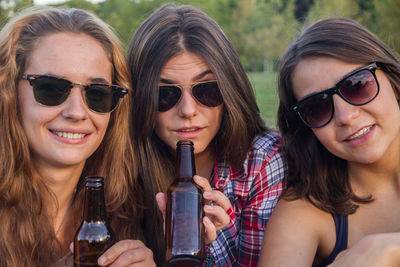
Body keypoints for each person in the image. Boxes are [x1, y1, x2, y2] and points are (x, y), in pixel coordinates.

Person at [127, 3, 287, 266]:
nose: (188, 111)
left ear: (229, 90)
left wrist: (215, 244)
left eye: (207, 90)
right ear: (141, 100)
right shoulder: (124, 164)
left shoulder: (262, 161)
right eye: (164, 94)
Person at [0, 6, 156, 266]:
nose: (77, 112)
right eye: (51, 88)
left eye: (97, 94)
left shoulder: (127, 212)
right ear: (9, 94)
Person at [259, 18, 400, 267]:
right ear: (306, 127)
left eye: (357, 85)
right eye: (317, 107)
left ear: (391, 78)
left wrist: (388, 249)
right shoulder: (306, 211)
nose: (346, 117)